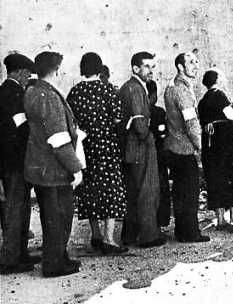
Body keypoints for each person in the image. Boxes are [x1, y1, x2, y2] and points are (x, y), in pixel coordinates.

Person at [24, 51, 83, 277]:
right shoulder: (48, 96)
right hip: (54, 169)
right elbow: (58, 139)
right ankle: (55, 264)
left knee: (51, 218)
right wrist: (76, 168)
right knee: (60, 217)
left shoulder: (32, 90)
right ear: (57, 69)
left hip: (39, 168)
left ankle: (58, 257)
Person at [66, 52, 128, 254]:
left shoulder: (74, 92)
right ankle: (110, 239)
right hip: (107, 147)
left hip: (85, 148)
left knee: (90, 189)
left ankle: (96, 235)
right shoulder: (107, 90)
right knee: (111, 189)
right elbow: (118, 119)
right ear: (99, 68)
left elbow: (71, 120)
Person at [118, 52, 166, 248]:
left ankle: (129, 235)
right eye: (147, 66)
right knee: (147, 190)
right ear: (135, 68)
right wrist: (149, 138)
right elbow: (139, 122)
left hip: (130, 148)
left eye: (152, 67)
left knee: (133, 191)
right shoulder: (136, 89)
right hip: (140, 147)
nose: (151, 71)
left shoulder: (129, 87)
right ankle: (148, 236)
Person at [198, 69, 233, 232]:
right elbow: (230, 114)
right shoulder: (220, 94)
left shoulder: (203, 100)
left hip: (210, 142)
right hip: (226, 141)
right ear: (218, 79)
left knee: (215, 178)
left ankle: (221, 219)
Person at [0, 53, 40, 274]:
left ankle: (19, 253)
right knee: (15, 209)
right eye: (26, 73)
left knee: (19, 208)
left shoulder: (7, 91)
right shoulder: (13, 94)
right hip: (15, 162)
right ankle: (10, 259)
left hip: (11, 162)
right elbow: (21, 129)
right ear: (18, 72)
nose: (28, 77)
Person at [164, 52, 210, 242]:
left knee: (182, 191)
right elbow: (191, 123)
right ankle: (190, 233)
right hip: (182, 147)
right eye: (191, 62)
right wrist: (201, 147)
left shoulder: (175, 85)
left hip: (175, 146)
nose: (196, 66)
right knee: (189, 193)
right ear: (180, 67)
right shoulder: (181, 90)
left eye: (197, 62)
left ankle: (183, 231)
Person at [146, 79, 171, 228]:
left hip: (144, 154)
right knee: (161, 186)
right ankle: (160, 220)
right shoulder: (158, 112)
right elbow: (163, 132)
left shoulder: (140, 110)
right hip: (158, 153)